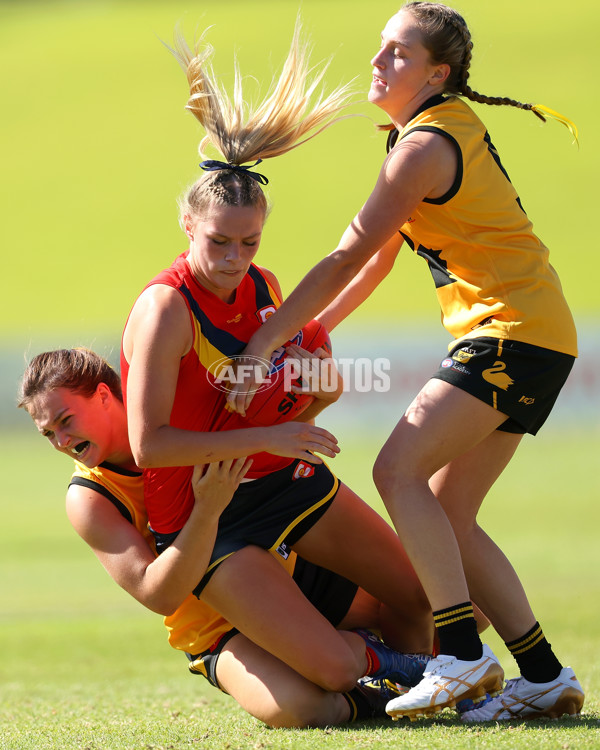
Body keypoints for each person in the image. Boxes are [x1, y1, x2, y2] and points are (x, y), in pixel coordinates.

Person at [224, 1, 585, 723]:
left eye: (396, 51)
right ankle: (544, 674)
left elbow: (348, 252)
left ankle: (459, 656)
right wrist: (308, 334)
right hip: (534, 334)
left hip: (510, 334)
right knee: (449, 510)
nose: (377, 60)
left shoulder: (423, 146)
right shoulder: (418, 137)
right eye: (380, 46)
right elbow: (379, 263)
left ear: (438, 73)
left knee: (397, 470)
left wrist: (266, 343)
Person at [119, 19, 450, 719]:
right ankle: (421, 680)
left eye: (249, 242)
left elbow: (287, 399)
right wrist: (267, 438)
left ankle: (432, 689)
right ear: (186, 223)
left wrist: (314, 396)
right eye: (218, 243)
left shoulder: (266, 290)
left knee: (419, 595)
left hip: (281, 482)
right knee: (327, 673)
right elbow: (152, 445)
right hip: (206, 516)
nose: (234, 258)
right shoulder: (164, 311)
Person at [18, 347, 431, 728]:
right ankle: (379, 681)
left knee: (444, 608)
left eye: (65, 421)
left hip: (284, 574)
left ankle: (390, 661)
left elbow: (267, 444)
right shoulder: (90, 498)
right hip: (215, 627)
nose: (61, 441)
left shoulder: (175, 418)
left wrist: (323, 394)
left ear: (104, 395)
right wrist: (207, 510)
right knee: (301, 707)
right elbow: (158, 595)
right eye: (48, 434)